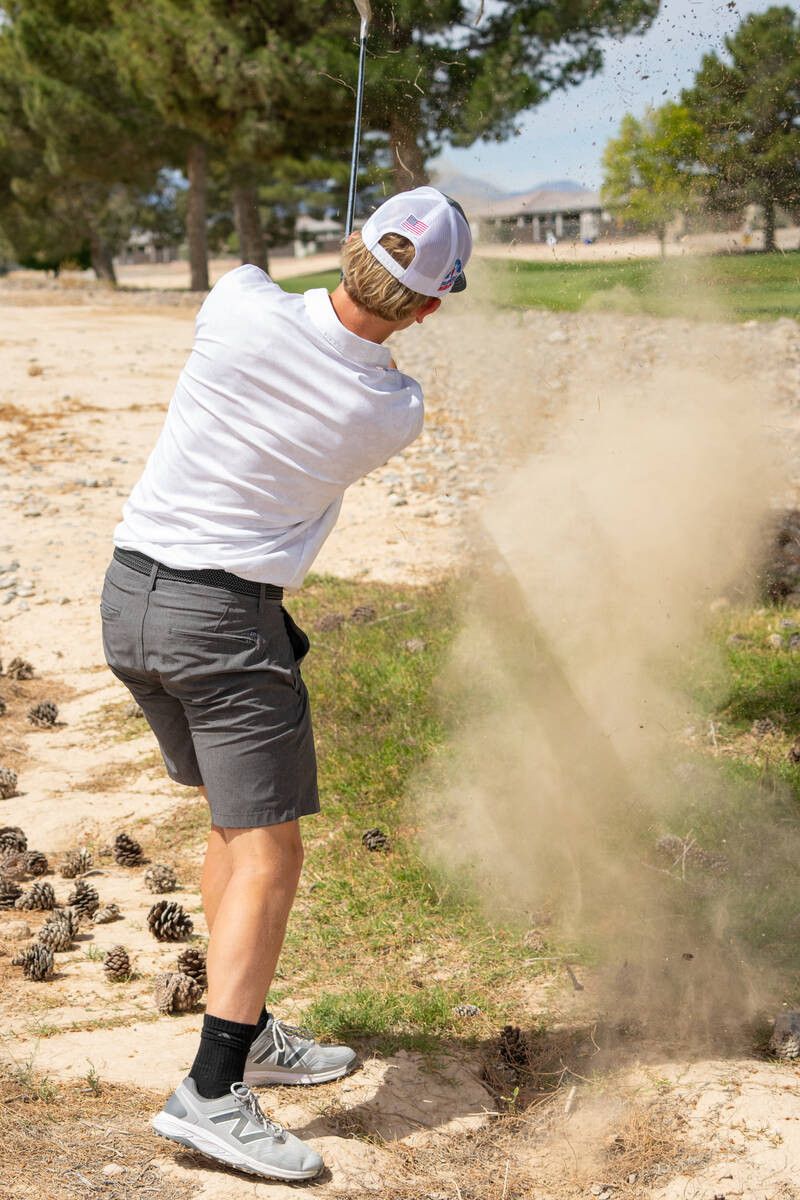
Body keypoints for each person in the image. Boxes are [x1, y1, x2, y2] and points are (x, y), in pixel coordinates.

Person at [100, 186, 472, 1181]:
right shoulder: (390, 409)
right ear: (430, 307)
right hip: (221, 623)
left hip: (129, 598)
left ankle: (246, 1022)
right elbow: (365, 345)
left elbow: (269, 285)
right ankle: (213, 1091)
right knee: (268, 849)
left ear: (352, 239)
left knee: (232, 821)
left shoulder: (233, 304)